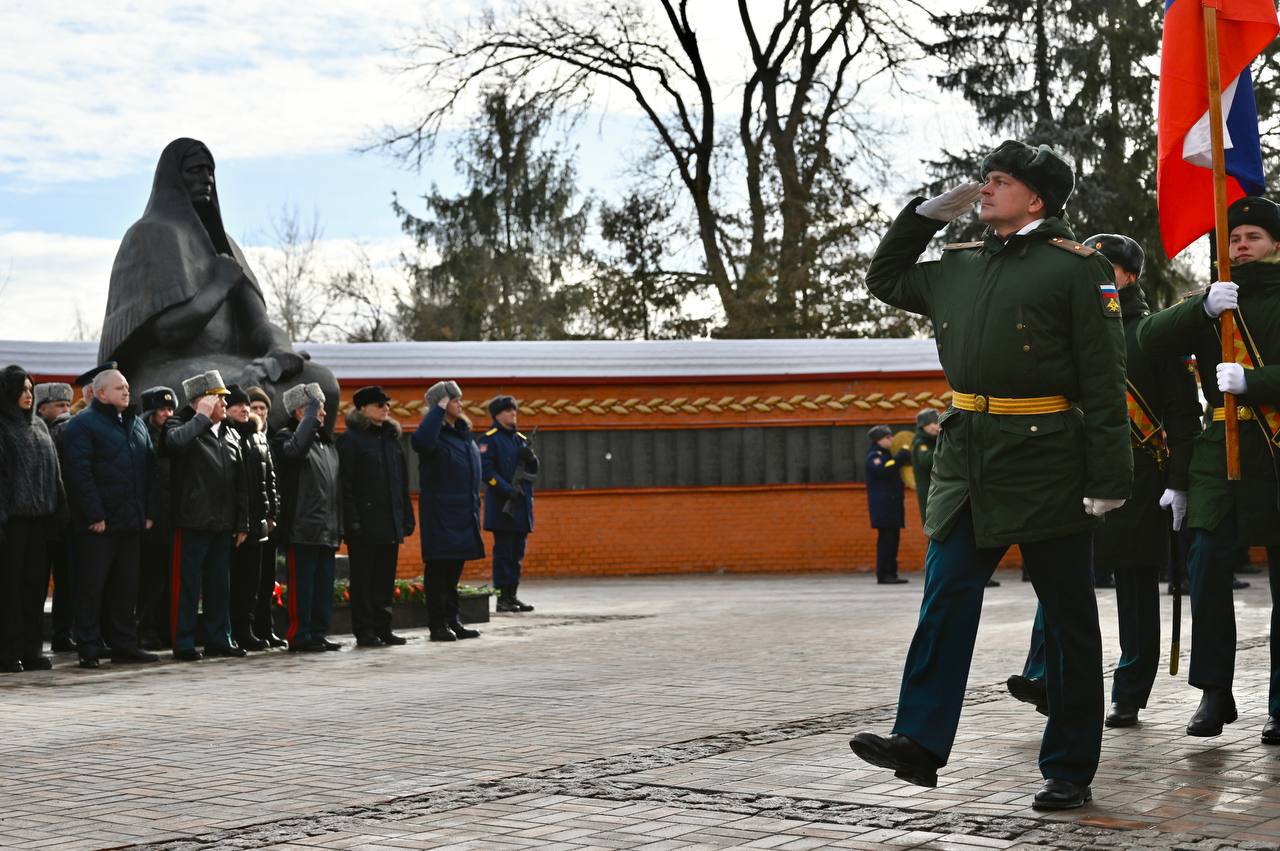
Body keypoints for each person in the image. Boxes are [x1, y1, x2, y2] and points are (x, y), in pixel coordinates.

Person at [848, 140, 1131, 810]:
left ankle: (1068, 764)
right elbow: (884, 279)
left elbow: (1103, 378)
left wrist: (1108, 476)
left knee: (1067, 617)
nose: (985, 189)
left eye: (999, 181)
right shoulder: (960, 264)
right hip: (967, 458)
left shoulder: (1076, 269)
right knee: (945, 594)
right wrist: (921, 218)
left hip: (1045, 458)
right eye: (987, 178)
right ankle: (918, 741)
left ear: (1036, 199)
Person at [1005, 234, 1201, 727]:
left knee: (1136, 591)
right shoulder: (1064, 334)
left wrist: (1180, 482)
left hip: (1139, 479)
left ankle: (1130, 691)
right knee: (1059, 579)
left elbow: (1182, 417)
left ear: (1128, 277)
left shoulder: (1153, 334)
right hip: (1073, 477)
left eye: (1103, 267)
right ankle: (1045, 675)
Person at [1137, 195, 1280, 742]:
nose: (1240, 247)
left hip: (1275, 450)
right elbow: (1147, 340)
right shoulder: (1216, 304)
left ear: (1273, 245)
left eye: (1252, 238)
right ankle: (1215, 693)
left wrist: (1257, 383)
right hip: (1219, 453)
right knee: (1208, 570)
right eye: (1233, 239)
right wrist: (1199, 309)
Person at [98, 138, 338, 431]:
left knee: (322, 383)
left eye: (210, 171)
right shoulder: (151, 234)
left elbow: (258, 323)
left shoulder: (227, 246)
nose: (206, 179)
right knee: (231, 391)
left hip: (232, 361)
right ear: (173, 179)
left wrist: (278, 349)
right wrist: (219, 285)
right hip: (168, 366)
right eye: (195, 171)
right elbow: (170, 331)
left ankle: (297, 472)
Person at [61, 369, 160, 668]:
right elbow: (79, 473)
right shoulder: (82, 425)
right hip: (99, 524)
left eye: (127, 387)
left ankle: (123, 644)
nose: (126, 392)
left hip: (131, 521)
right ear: (101, 393)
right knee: (92, 587)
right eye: (119, 388)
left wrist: (149, 512)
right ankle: (89, 646)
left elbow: (150, 470)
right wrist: (94, 514)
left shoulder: (136, 424)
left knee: (125, 587)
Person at [163, 369, 250, 661]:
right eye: (220, 398)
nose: (226, 403)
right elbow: (174, 444)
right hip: (192, 520)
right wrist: (200, 417)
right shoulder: (180, 424)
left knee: (218, 586)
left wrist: (242, 522)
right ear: (202, 400)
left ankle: (218, 639)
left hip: (223, 523)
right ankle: (183, 642)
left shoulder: (230, 432)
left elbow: (241, 483)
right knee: (187, 586)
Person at [337, 385, 416, 647]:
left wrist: (406, 515)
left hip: (389, 522)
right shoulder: (351, 440)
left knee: (384, 579)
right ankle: (365, 631)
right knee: (363, 581)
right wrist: (353, 520)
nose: (386, 409)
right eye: (379, 405)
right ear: (362, 409)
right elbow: (345, 485)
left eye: (387, 405)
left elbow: (401, 483)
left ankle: (384, 628)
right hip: (364, 524)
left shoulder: (391, 439)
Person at [0, 366, 65, 673]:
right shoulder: (2, 427)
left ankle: (31, 650)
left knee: (35, 588)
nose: (27, 395)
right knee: (9, 589)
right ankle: (7, 652)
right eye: (21, 390)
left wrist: (59, 512)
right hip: (11, 523)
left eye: (29, 389)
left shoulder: (39, 427)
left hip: (40, 521)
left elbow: (55, 475)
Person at [412, 381, 485, 643]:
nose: (460, 403)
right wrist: (437, 411)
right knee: (438, 571)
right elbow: (421, 443)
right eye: (454, 400)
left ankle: (453, 619)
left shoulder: (462, 433)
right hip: (441, 514)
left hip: (464, 512)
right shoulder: (432, 433)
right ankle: (438, 624)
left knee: (453, 572)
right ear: (441, 404)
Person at [273, 382, 342, 653]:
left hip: (327, 528)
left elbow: (335, 490)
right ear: (301, 412)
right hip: (302, 528)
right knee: (303, 588)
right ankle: (300, 634)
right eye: (316, 409)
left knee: (322, 588)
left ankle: (318, 632)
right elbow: (294, 452)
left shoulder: (326, 445)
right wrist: (311, 418)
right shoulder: (284, 438)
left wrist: (340, 525)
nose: (323, 414)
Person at [225, 385, 279, 651]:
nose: (245, 409)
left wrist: (271, 513)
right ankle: (234, 630)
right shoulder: (225, 435)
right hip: (235, 525)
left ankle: (248, 630)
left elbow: (269, 480)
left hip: (258, 524)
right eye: (238, 405)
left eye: (247, 405)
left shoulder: (259, 438)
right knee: (234, 581)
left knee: (253, 582)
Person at [478, 395, 538, 613]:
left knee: (517, 555)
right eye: (508, 411)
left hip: (521, 507)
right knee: (504, 554)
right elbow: (486, 471)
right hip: (503, 507)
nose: (513, 414)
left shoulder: (520, 439)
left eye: (514, 410)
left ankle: (512, 595)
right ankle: (502, 598)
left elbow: (533, 471)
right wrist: (505, 488)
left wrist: (531, 458)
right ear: (497, 415)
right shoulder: (489, 439)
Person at [33, 382, 77, 652]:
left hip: (65, 517)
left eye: (67, 405)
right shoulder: (34, 431)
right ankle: (32, 638)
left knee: (67, 580)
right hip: (38, 519)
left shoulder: (71, 431)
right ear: (43, 408)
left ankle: (63, 634)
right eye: (60, 406)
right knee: (35, 583)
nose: (65, 410)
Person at [137, 386, 177, 649]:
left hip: (172, 515)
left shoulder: (173, 435)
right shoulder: (143, 437)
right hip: (152, 516)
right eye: (162, 409)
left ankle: (163, 627)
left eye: (170, 408)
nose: (167, 413)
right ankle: (146, 628)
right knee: (150, 578)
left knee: (168, 576)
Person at [247, 386, 286, 647]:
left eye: (264, 409)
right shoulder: (243, 437)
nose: (260, 412)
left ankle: (266, 627)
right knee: (250, 579)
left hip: (269, 522)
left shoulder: (273, 440)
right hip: (250, 521)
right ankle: (250, 628)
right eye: (255, 407)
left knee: (267, 579)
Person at [865, 425, 910, 585]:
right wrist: (900, 457)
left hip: (892, 506)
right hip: (884, 508)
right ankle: (884, 574)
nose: (891, 439)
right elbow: (884, 470)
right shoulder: (874, 456)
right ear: (879, 440)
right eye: (888, 437)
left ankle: (891, 572)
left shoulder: (886, 455)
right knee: (886, 542)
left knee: (893, 540)